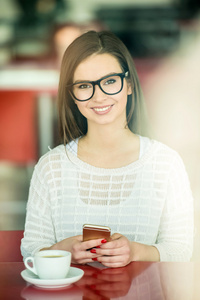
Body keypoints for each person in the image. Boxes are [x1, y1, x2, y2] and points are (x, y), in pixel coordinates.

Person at [21, 30, 194, 267]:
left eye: (110, 81)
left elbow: (182, 250)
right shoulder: (51, 167)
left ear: (129, 85)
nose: (99, 96)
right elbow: (31, 251)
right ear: (72, 94)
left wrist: (135, 251)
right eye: (84, 85)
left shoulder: (166, 163)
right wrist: (63, 250)